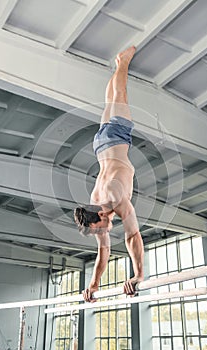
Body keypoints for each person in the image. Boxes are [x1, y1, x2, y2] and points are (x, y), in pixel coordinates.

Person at [74, 46, 144, 302]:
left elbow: (132, 235)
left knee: (120, 95)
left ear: (99, 215)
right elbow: (103, 252)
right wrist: (92, 285)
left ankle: (122, 62)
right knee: (110, 101)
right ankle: (117, 66)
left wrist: (139, 274)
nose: (105, 230)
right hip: (100, 145)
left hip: (116, 137)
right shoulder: (96, 204)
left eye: (101, 226)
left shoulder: (113, 195)